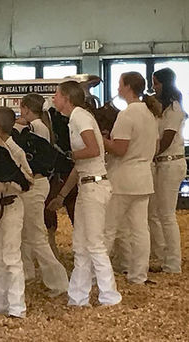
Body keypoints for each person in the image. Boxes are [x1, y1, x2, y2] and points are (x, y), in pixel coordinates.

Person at [48, 81, 121, 307]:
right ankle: (78, 298)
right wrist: (62, 196)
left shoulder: (80, 117)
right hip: (87, 183)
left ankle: (110, 296)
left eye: (57, 94)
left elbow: (93, 150)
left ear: (67, 98)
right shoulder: (77, 117)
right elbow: (79, 165)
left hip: (94, 186)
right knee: (80, 244)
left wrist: (68, 154)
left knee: (94, 244)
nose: (53, 98)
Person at [103, 72, 161, 284]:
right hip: (144, 176)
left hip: (123, 177)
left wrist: (103, 140)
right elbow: (155, 146)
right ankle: (138, 274)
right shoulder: (149, 114)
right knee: (140, 229)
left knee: (108, 228)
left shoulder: (127, 114)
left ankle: (96, 276)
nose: (118, 88)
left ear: (128, 87)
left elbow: (120, 148)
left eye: (120, 83)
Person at [0, 106, 34, 318]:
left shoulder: (15, 151)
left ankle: (16, 307)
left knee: (11, 257)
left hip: (11, 205)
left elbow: (28, 181)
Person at [18, 93, 69, 296]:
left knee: (37, 236)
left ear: (26, 109)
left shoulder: (35, 128)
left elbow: (36, 156)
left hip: (35, 182)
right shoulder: (40, 125)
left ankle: (59, 282)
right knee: (27, 233)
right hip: (37, 182)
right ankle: (27, 271)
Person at [148, 67, 187, 273]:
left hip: (171, 162)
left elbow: (167, 139)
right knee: (154, 212)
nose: (153, 87)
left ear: (164, 84)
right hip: (160, 163)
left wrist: (148, 153)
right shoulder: (160, 109)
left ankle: (173, 263)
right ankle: (162, 256)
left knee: (167, 214)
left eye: (155, 83)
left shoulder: (174, 109)